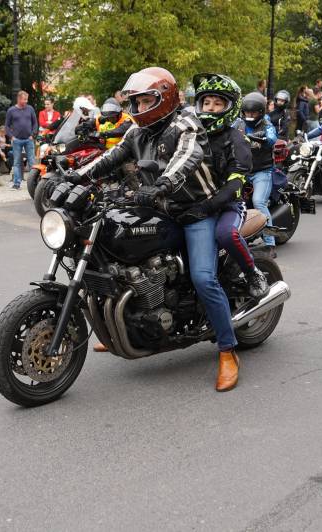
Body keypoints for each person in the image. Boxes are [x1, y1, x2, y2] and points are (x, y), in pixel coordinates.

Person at [77, 67, 259, 392]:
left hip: (196, 211)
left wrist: (162, 184)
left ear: (164, 99)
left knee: (203, 278)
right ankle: (123, 326)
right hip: (159, 209)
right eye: (137, 102)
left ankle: (227, 349)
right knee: (117, 254)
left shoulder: (185, 123)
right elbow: (111, 157)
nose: (140, 107)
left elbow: (187, 156)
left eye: (147, 101)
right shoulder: (138, 132)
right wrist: (75, 176)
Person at [238, 91, 278, 254]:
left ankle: (270, 243)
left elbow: (272, 138)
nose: (250, 115)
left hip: (262, 171)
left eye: (253, 113)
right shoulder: (238, 123)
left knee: (259, 202)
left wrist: (258, 137)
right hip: (241, 170)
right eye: (247, 112)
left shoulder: (267, 125)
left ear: (261, 112)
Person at [4, 90, 38, 191]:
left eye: (27, 99)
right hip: (17, 140)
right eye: (24, 99)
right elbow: (7, 126)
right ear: (18, 99)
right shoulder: (11, 110)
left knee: (32, 162)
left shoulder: (30, 109)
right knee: (17, 162)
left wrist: (33, 135)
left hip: (29, 139)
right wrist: (11, 137)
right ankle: (16, 184)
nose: (26, 101)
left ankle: (34, 183)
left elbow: (35, 123)